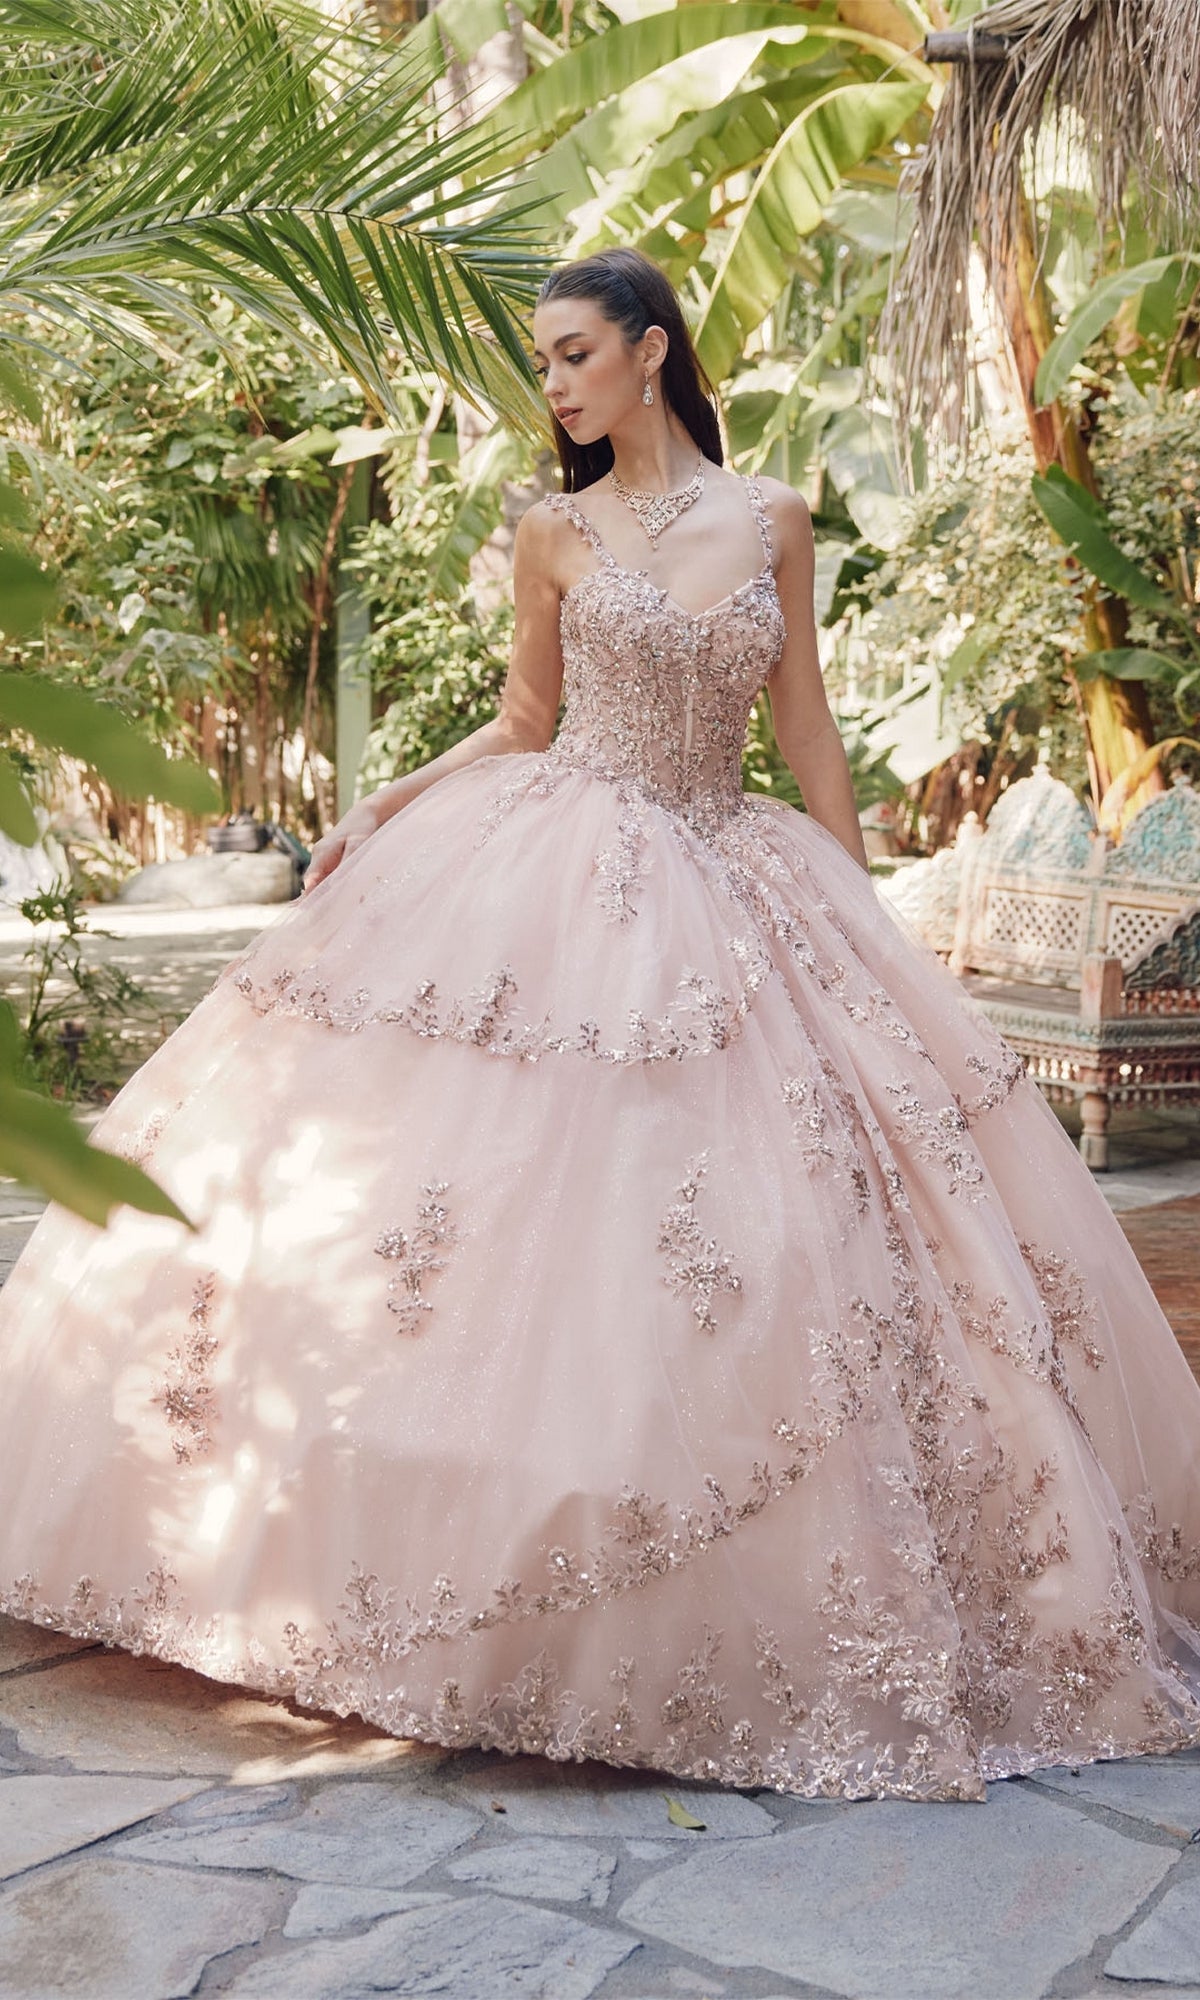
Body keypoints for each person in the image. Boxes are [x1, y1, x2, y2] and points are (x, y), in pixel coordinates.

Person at [1, 249, 1197, 1805]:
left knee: (776, 1230)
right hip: (562, 865)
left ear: (652, 352)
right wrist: (393, 794)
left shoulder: (770, 517)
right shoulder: (551, 531)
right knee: (493, 1216)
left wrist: (859, 922)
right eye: (543, 362)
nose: (554, 385)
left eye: (573, 353)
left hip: (737, 866)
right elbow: (522, 719)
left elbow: (805, 726)